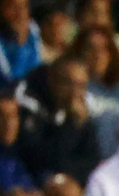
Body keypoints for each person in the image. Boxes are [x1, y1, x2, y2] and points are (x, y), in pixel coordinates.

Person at [23, 56, 102, 184]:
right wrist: (73, 126)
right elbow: (44, 160)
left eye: (81, 86)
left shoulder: (82, 116)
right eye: (68, 83)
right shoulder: (30, 106)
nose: (74, 92)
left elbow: (92, 162)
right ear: (52, 80)